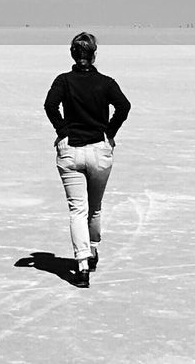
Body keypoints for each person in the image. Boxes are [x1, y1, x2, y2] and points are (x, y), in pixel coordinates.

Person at [44, 31, 131, 288]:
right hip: (99, 151)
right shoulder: (106, 82)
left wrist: (63, 130)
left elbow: (50, 105)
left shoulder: (63, 81)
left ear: (73, 54)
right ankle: (91, 251)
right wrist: (109, 133)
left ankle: (82, 265)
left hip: (70, 150)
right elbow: (123, 107)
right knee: (94, 206)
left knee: (77, 210)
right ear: (93, 55)